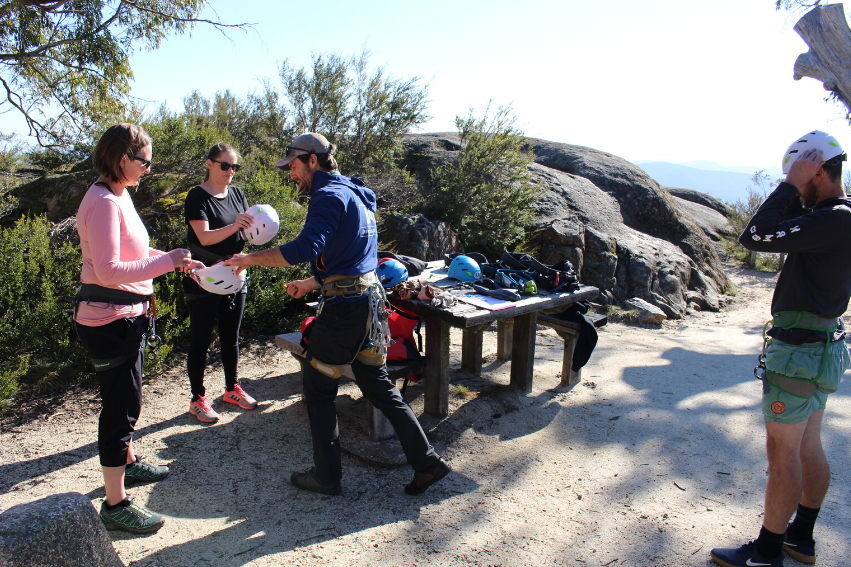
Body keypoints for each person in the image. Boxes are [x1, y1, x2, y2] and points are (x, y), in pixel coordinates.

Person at [224, 133, 450, 495]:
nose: (291, 174)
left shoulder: (327, 196)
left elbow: (304, 247)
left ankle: (327, 477)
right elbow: (350, 257)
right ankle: (427, 463)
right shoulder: (355, 194)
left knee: (318, 388)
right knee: (380, 387)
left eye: (294, 166)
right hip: (368, 308)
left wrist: (250, 258)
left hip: (345, 310)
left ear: (313, 160)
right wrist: (312, 282)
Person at [710, 130, 851, 567]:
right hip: (822, 346)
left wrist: (790, 185)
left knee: (783, 451)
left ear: (819, 170)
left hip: (800, 351)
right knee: (808, 446)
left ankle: (767, 552)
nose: (794, 178)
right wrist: (797, 187)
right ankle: (801, 538)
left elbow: (754, 235)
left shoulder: (832, 219)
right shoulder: (838, 217)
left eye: (801, 171)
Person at [74, 123, 204, 534]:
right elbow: (110, 271)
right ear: (121, 158)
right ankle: (115, 504)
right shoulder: (105, 203)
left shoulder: (118, 195)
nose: (149, 168)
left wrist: (172, 257)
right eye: (144, 160)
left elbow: (131, 251)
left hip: (124, 317)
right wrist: (166, 263)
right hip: (109, 321)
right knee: (121, 408)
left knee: (128, 396)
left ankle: (128, 465)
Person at [182, 143, 257, 423]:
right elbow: (204, 237)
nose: (230, 171)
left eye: (234, 166)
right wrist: (235, 226)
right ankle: (197, 398)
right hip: (204, 276)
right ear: (209, 164)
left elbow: (248, 233)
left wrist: (246, 257)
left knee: (231, 336)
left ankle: (231, 389)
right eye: (225, 165)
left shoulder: (238, 194)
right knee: (201, 339)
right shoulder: (197, 197)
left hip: (235, 274)